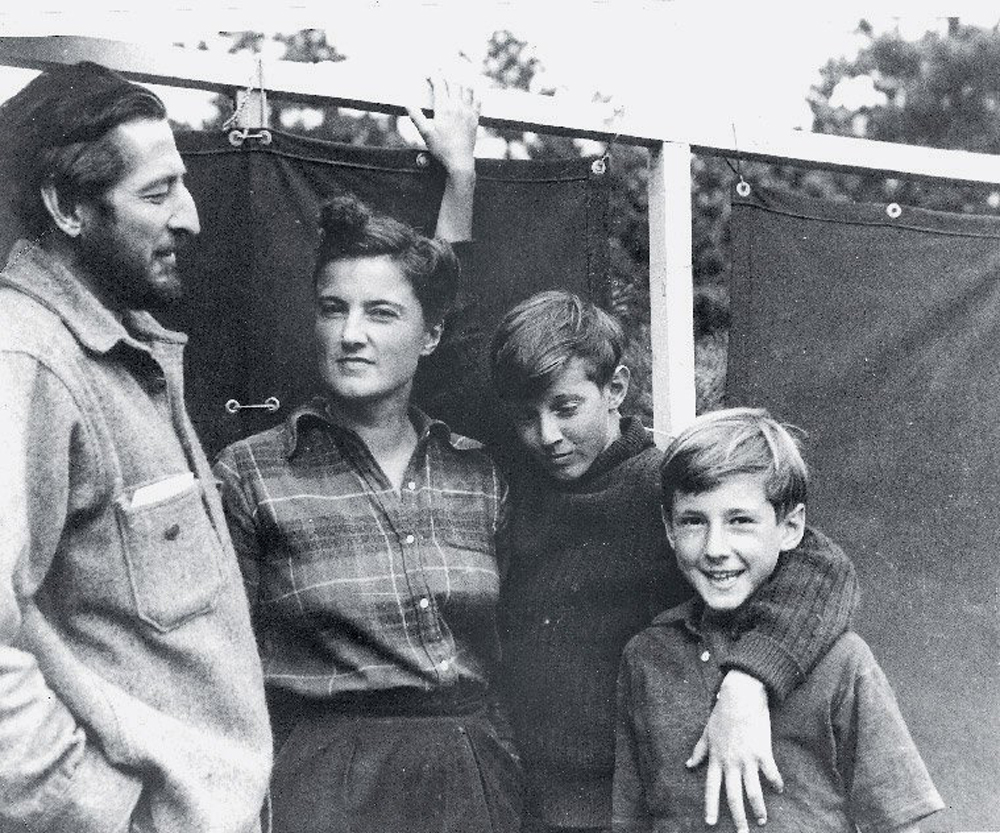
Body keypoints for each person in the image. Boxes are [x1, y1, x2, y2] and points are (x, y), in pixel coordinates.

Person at [213, 80, 521, 833]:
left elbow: (459, 306)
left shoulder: (477, 470)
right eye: (333, 308)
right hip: (328, 778)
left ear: (429, 336)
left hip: (472, 770)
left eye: (382, 313)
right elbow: (220, 668)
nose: (352, 334)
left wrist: (461, 177)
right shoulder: (252, 472)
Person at [0, 62, 271, 832]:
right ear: (65, 205)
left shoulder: (128, 354)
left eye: (181, 185)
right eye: (156, 193)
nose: (190, 218)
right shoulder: (25, 360)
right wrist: (108, 815)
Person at [490, 291, 860, 833]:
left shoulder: (666, 488)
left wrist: (750, 679)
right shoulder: (515, 495)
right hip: (534, 802)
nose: (547, 436)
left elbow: (823, 570)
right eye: (526, 417)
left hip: (646, 800)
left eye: (566, 409)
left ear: (614, 388)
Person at [613, 407, 944, 832]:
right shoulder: (646, 656)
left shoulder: (842, 661)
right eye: (694, 521)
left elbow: (898, 820)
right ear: (669, 529)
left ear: (790, 527)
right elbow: (630, 818)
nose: (715, 547)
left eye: (740, 522)